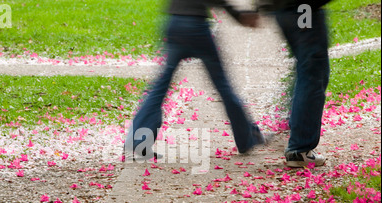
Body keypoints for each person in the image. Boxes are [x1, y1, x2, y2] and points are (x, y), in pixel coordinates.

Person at [124, 0, 268, 161]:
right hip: (196, 28)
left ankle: (139, 140)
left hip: (174, 24)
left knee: (159, 88)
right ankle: (247, 138)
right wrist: (240, 16)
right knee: (223, 85)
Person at [259, 0, 331, 167]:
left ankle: (297, 129)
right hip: (303, 8)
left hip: (287, 8)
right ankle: (300, 149)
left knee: (307, 68)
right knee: (312, 71)